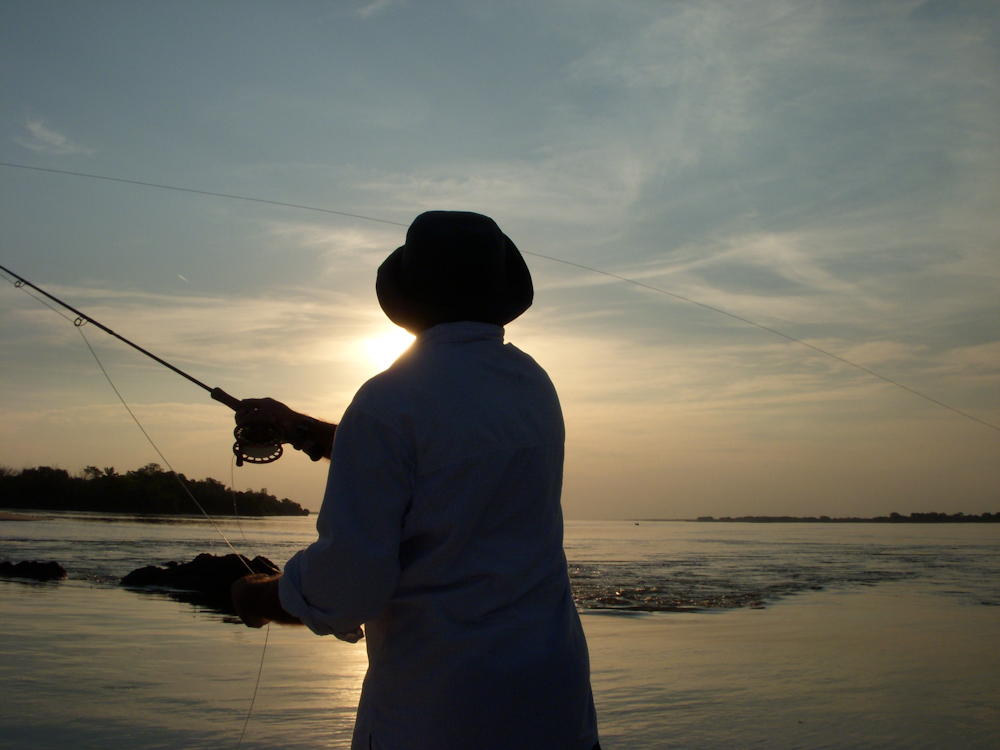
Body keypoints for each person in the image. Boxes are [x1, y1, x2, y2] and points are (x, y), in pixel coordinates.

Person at [231, 211, 600, 750]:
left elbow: (348, 586)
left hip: (438, 716)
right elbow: (449, 462)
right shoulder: (533, 384)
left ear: (407, 298)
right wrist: (302, 427)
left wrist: (257, 597)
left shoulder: (385, 403)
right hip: (556, 708)